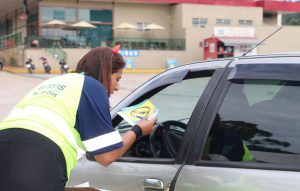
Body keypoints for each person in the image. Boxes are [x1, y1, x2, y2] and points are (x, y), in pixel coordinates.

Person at [0, 45, 157, 191]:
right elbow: (106, 156)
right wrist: (138, 130)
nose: (117, 87)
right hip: (41, 152)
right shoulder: (93, 86)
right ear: (105, 71)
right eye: (117, 78)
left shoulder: (56, 81)